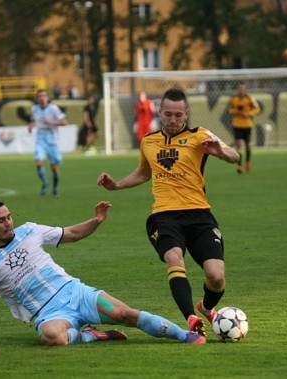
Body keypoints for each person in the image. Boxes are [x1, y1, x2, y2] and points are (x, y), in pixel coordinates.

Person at [0, 199, 206, 346]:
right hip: (48, 313)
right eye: (0, 220)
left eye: (9, 216)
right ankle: (90, 336)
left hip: (75, 292)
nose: (8, 223)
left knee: (126, 314)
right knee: (50, 337)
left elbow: (71, 234)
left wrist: (96, 221)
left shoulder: (30, 231)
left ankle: (186, 336)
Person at [97, 87, 240, 337]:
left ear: (186, 114)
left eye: (178, 115)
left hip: (199, 215)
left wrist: (221, 152)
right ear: (160, 113)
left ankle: (205, 307)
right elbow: (143, 172)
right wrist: (117, 185)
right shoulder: (148, 141)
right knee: (174, 259)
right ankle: (191, 317)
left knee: (216, 277)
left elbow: (235, 156)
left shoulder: (200, 135)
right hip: (164, 216)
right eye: (168, 115)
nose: (173, 120)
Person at [28, 89, 67, 197]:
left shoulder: (53, 108)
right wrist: (31, 126)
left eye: (44, 95)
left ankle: (54, 188)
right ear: (37, 98)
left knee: (54, 167)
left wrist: (52, 122)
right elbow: (33, 120)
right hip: (40, 139)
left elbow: (64, 122)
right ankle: (45, 182)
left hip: (52, 140)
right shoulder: (34, 109)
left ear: (47, 98)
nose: (42, 98)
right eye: (39, 96)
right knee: (38, 163)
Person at [229, 82, 260, 173]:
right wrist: (233, 112)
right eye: (240, 88)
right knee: (238, 144)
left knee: (247, 145)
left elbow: (257, 109)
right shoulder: (234, 99)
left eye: (243, 89)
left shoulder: (250, 98)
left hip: (247, 125)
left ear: (245, 90)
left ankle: (248, 161)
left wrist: (249, 113)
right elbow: (230, 109)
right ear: (238, 89)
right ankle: (239, 165)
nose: (241, 90)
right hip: (237, 124)